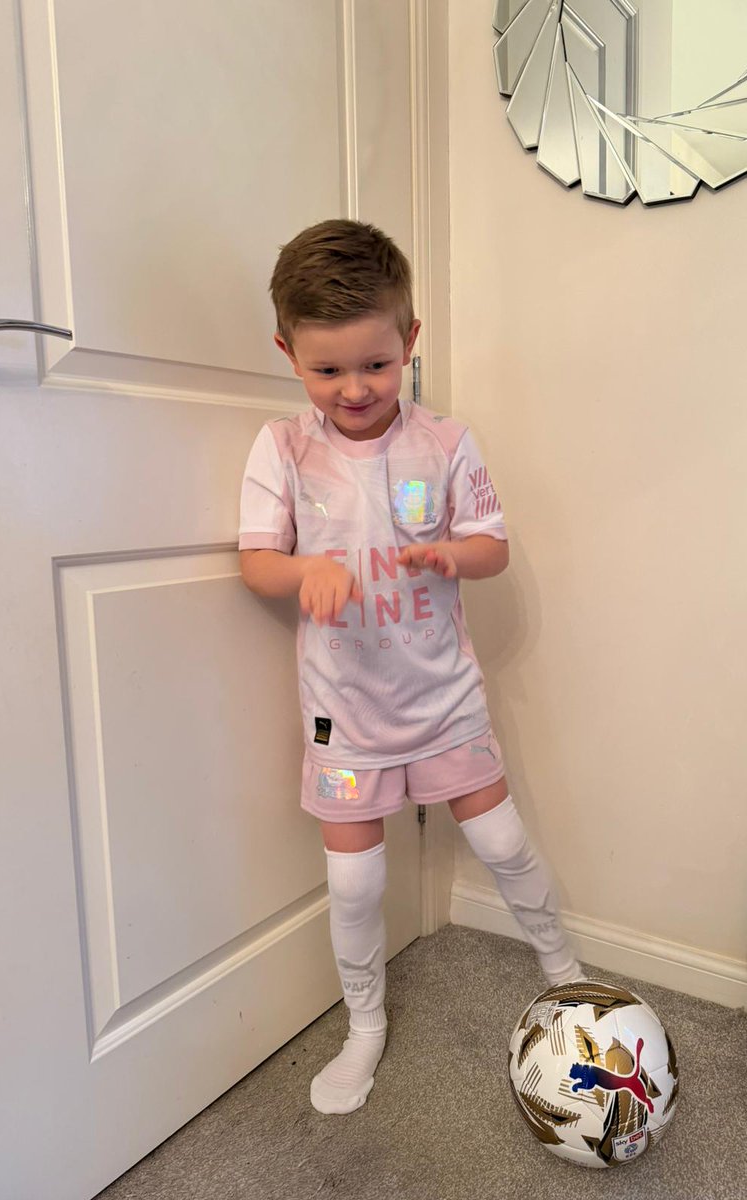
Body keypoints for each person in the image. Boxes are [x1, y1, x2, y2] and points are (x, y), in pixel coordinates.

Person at [238, 219, 581, 1115]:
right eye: (327, 370)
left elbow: (492, 548)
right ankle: (364, 1024)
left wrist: (452, 558)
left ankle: (567, 976)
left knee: (502, 841)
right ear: (288, 353)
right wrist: (304, 570)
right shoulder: (283, 449)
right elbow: (255, 562)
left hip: (443, 702)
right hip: (344, 715)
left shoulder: (447, 442)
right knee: (356, 880)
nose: (355, 389)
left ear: (410, 341)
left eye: (376, 365)